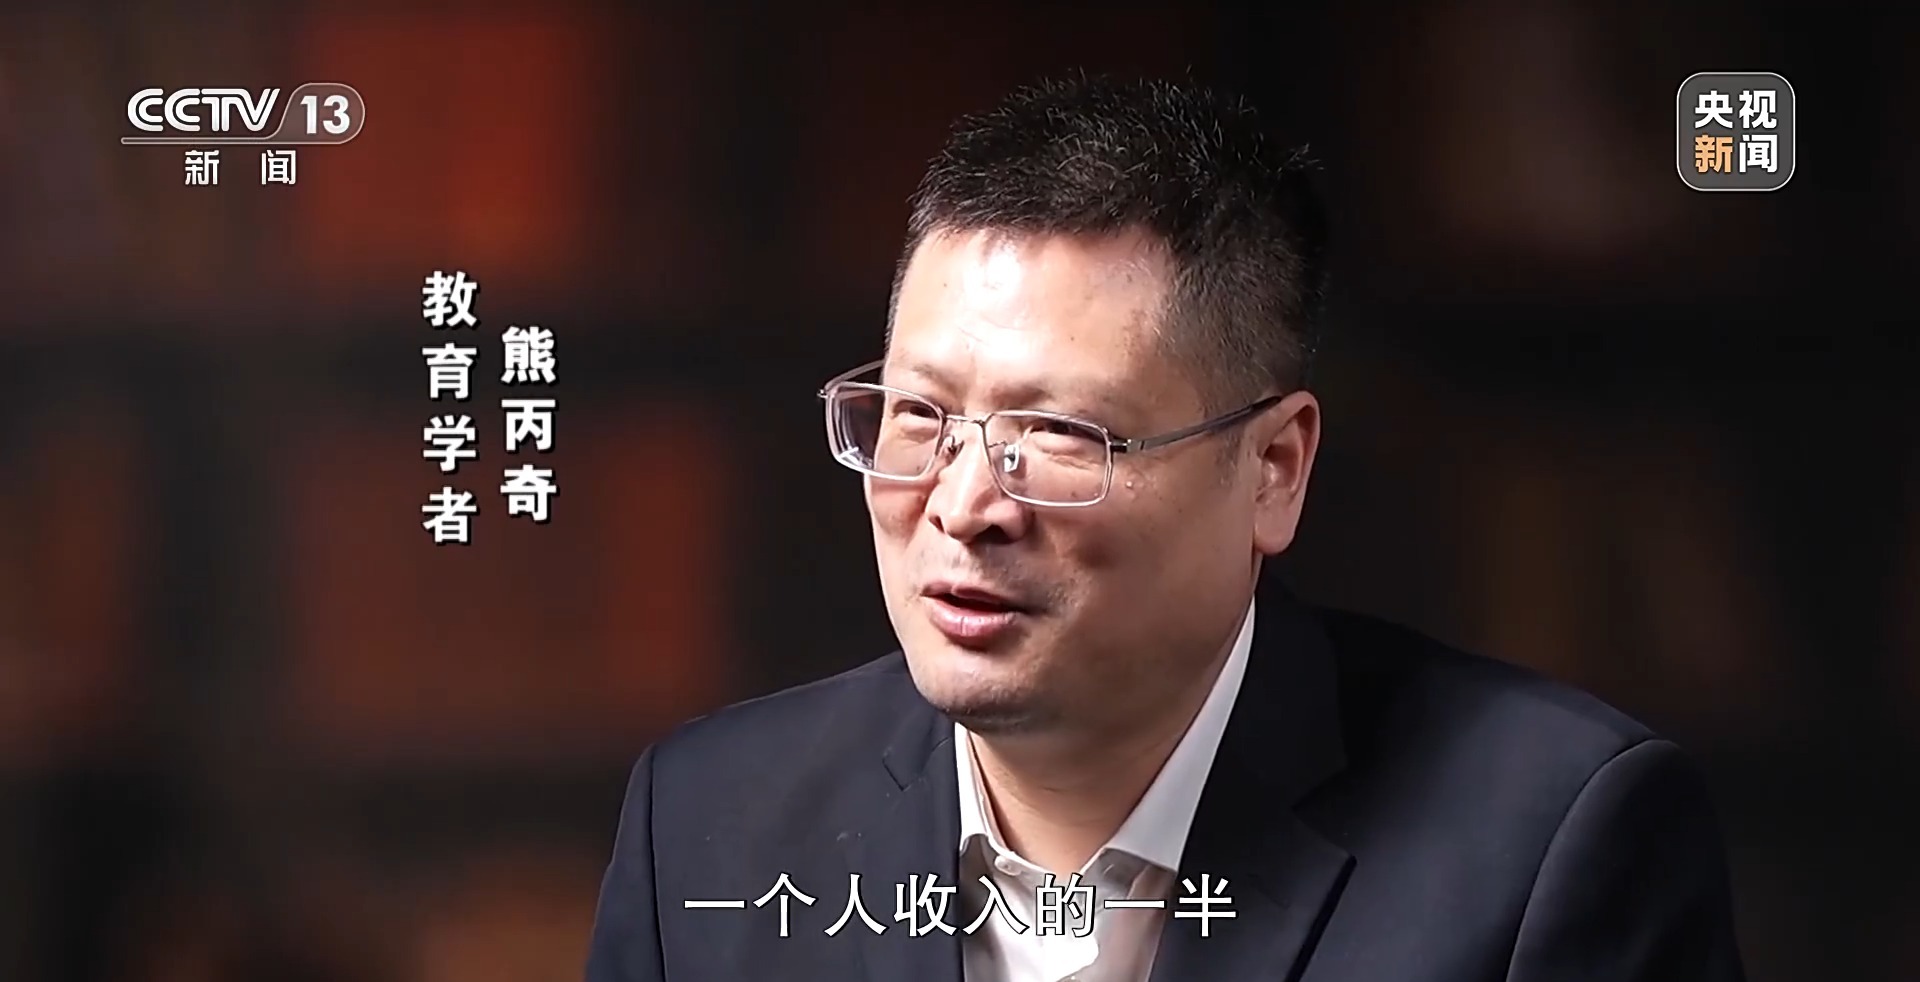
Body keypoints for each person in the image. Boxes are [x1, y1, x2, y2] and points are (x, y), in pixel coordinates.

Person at [584, 75, 1747, 982]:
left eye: (1060, 432)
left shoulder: (1554, 843)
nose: (965, 504)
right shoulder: (705, 822)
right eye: (920, 415)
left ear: (1274, 469)